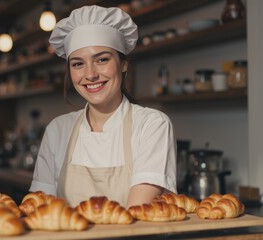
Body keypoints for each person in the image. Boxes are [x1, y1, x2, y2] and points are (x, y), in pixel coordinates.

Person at [29, 5, 177, 208]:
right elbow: (39, 210)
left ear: (123, 64)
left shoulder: (151, 125)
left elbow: (138, 216)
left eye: (101, 59)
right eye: (78, 64)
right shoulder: (57, 130)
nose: (90, 74)